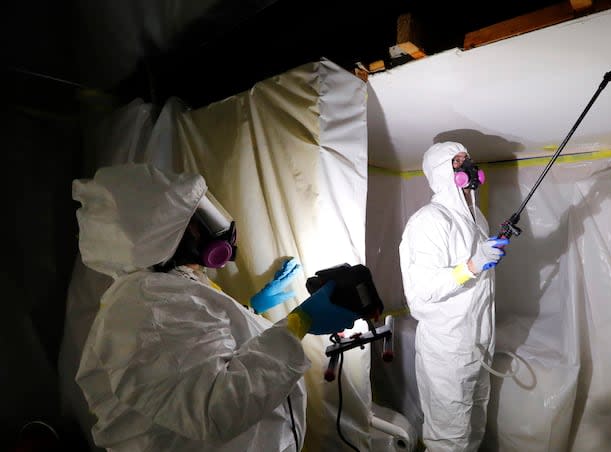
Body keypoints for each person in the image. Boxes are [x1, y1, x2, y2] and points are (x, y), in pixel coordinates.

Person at [71, 163, 360, 452]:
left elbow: (200, 351)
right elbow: (217, 407)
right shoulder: (148, 305)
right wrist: (299, 323)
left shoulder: (166, 288)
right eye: (200, 220)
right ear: (164, 234)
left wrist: (251, 310)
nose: (218, 229)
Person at [398, 142, 508, 451]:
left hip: (479, 343)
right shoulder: (429, 220)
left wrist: (486, 255)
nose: (468, 166)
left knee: (474, 427)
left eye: (468, 159)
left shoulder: (477, 219)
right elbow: (423, 290)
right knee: (450, 437)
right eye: (458, 161)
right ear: (442, 173)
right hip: (447, 350)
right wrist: (472, 265)